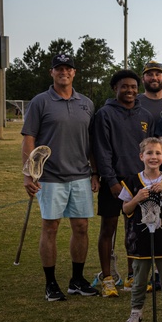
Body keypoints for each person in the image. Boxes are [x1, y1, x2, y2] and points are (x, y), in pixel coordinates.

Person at [21, 54, 99, 302]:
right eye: (59, 68)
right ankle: (50, 283)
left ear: (74, 72)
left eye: (68, 68)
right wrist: (28, 174)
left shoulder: (86, 103)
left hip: (80, 176)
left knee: (81, 227)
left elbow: (91, 142)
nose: (64, 72)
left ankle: (77, 280)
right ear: (51, 72)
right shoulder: (40, 102)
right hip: (50, 177)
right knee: (51, 227)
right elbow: (29, 138)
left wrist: (94, 171)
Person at [91, 69, 154, 297]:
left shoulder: (145, 115)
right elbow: (101, 150)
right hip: (114, 182)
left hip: (138, 182)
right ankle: (107, 278)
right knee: (108, 228)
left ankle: (131, 277)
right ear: (115, 88)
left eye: (133, 87)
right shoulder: (104, 114)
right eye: (124, 86)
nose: (129, 90)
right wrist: (111, 181)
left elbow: (150, 150)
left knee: (135, 229)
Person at [119, 137, 162, 322]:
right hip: (140, 237)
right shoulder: (132, 181)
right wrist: (137, 198)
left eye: (157, 153)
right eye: (149, 153)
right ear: (141, 156)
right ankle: (136, 313)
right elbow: (125, 209)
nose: (153, 157)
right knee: (139, 278)